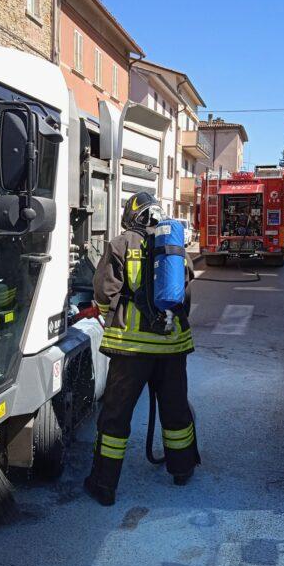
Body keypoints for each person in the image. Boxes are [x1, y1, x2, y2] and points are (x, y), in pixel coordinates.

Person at [84, 192, 200, 506]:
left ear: (132, 216)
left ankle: (104, 484)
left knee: (115, 417)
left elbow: (104, 292)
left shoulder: (121, 244)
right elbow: (184, 297)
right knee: (175, 408)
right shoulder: (174, 246)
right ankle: (182, 468)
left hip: (131, 349)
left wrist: (114, 317)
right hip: (172, 346)